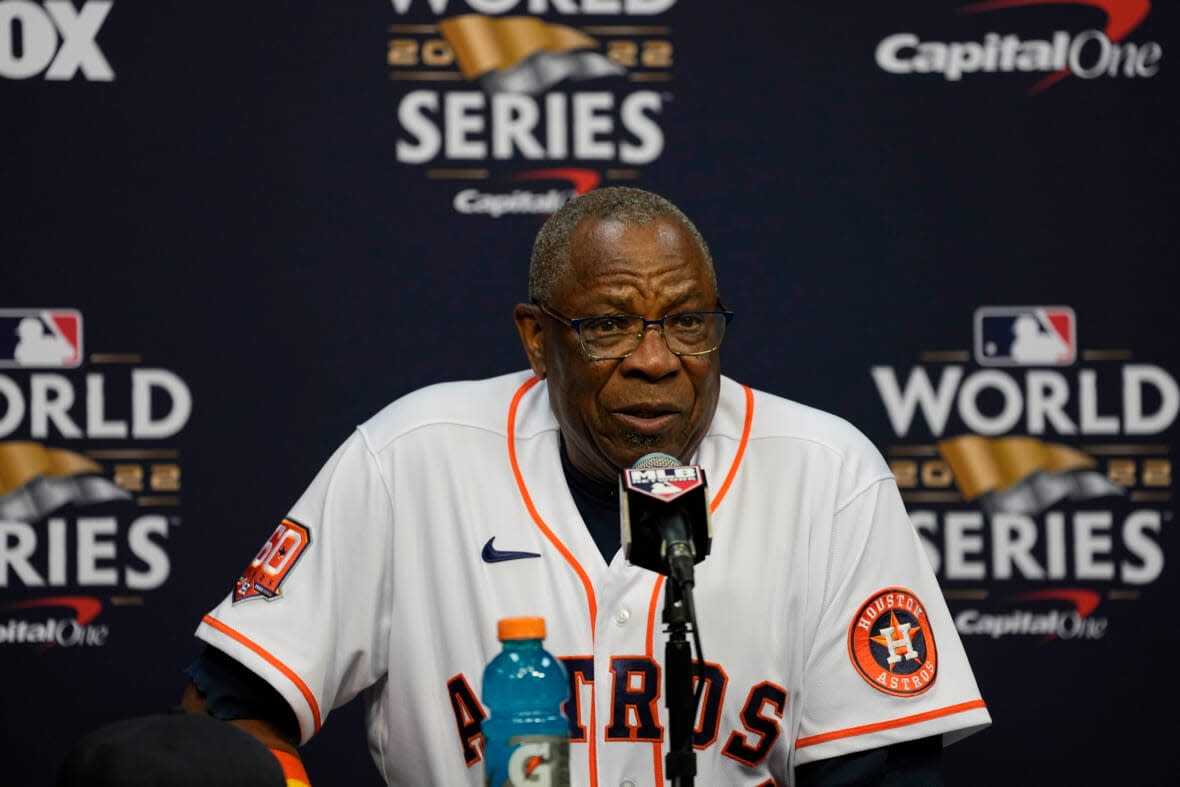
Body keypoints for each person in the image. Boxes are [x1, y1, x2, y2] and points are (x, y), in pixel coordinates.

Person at [180, 187, 990, 785]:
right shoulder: (412, 456)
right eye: (608, 325)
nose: (655, 358)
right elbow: (228, 702)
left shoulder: (827, 473)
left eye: (687, 322)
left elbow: (885, 762)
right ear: (538, 339)